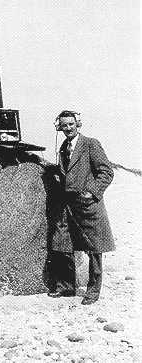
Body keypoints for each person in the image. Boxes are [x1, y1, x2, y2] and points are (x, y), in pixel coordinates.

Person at [47, 110, 115, 305]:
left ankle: (93, 292)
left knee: (94, 248)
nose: (67, 128)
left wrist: (91, 192)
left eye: (71, 124)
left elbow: (106, 172)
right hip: (67, 204)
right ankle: (66, 287)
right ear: (59, 126)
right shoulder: (62, 147)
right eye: (64, 125)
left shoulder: (91, 144)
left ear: (78, 124)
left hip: (88, 205)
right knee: (62, 242)